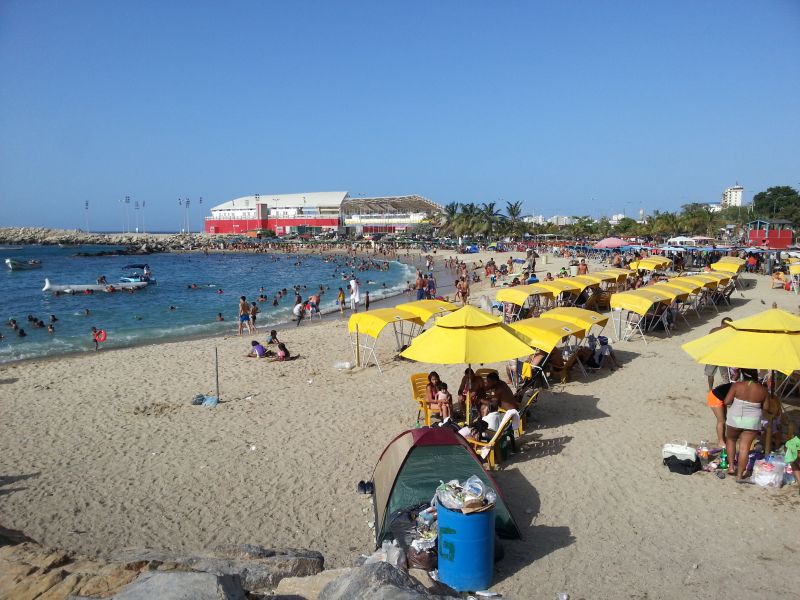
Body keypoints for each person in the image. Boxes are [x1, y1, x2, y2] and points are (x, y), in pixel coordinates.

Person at [723, 369, 768, 481]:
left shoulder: (737, 385)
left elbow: (727, 401)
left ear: (743, 374)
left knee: (731, 440)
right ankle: (739, 476)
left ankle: (732, 467)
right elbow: (766, 408)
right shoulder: (763, 390)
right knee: (745, 448)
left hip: (735, 417)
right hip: (752, 420)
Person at [705, 318, 733, 389]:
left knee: (710, 374)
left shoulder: (713, 330)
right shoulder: (729, 333)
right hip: (722, 355)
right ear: (725, 324)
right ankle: (727, 389)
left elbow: (708, 342)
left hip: (712, 354)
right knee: (725, 375)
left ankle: (710, 389)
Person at [707, 381, 732, 448]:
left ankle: (723, 439)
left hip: (721, 396)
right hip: (715, 397)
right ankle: (721, 442)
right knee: (721, 421)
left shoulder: (740, 386)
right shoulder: (739, 387)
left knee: (724, 420)